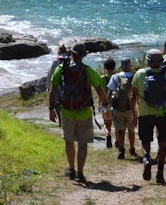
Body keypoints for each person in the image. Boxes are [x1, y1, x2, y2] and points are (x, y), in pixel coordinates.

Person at [49, 43, 108, 185]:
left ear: (71, 54)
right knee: (83, 144)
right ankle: (80, 172)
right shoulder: (88, 71)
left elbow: (53, 90)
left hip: (67, 112)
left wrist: (51, 108)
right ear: (83, 56)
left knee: (69, 142)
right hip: (84, 112)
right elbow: (99, 90)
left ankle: (71, 169)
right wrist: (104, 105)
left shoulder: (61, 69)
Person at [131, 49, 166, 184]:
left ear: (148, 61)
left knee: (146, 140)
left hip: (145, 114)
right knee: (162, 142)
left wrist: (134, 114)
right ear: (161, 61)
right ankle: (160, 173)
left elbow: (133, 96)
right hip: (162, 113)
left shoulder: (139, 74)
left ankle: (146, 158)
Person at [106, 58, 138, 159]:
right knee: (131, 130)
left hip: (117, 108)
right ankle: (132, 149)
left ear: (121, 66)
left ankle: (121, 149)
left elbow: (109, 92)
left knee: (120, 130)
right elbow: (136, 94)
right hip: (130, 108)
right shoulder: (134, 77)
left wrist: (105, 106)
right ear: (130, 66)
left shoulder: (115, 77)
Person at [46, 42, 69, 126]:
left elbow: (50, 76)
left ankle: (61, 123)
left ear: (58, 52)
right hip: (69, 87)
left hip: (57, 87)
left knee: (58, 105)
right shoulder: (70, 59)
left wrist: (48, 87)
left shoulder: (56, 61)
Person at [100, 58, 116, 148]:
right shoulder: (116, 77)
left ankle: (108, 134)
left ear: (105, 67)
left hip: (105, 104)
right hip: (115, 103)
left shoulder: (103, 78)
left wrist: (100, 105)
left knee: (106, 123)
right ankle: (117, 140)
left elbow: (100, 92)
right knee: (117, 123)